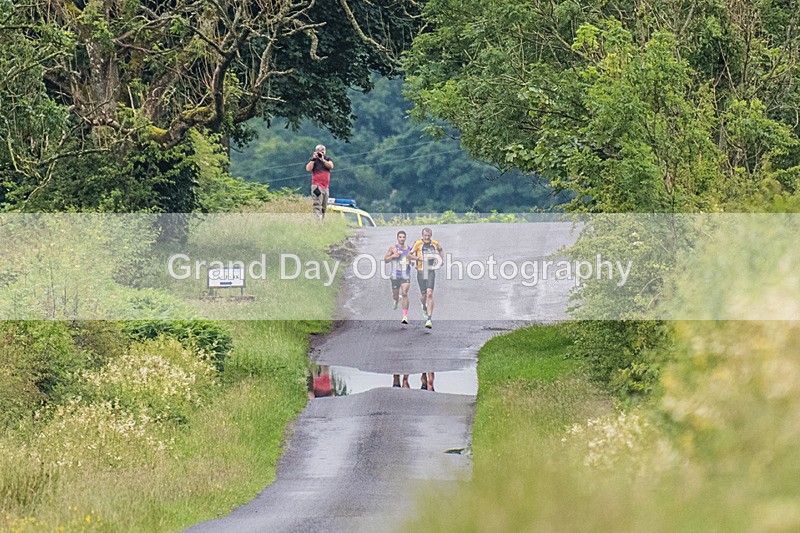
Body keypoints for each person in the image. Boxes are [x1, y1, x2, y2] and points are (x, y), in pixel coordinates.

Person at [409, 227, 443, 329]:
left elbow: (441, 250)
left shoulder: (435, 243)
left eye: (428, 236)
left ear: (431, 235)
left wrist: (441, 260)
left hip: (430, 271)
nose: (427, 237)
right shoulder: (418, 244)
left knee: (429, 293)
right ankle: (424, 306)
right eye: (425, 236)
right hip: (421, 272)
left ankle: (429, 319)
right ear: (422, 235)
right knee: (423, 294)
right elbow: (409, 255)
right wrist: (417, 258)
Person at [384, 230, 412, 324]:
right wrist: (393, 256)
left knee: (404, 293)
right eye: (400, 237)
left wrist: (410, 261)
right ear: (397, 238)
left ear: (405, 238)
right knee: (395, 295)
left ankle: (405, 316)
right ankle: (396, 300)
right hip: (395, 275)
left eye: (403, 237)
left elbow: (413, 262)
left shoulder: (409, 249)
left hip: (405, 275)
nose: (402, 239)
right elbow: (385, 260)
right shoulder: (393, 248)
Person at [305, 144, 334, 220]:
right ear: (316, 151)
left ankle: (322, 222)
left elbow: (331, 166)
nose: (321, 152)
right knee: (317, 205)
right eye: (319, 150)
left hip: (326, 187)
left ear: (325, 151)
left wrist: (323, 160)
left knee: (324, 207)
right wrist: (313, 159)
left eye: (323, 150)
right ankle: (317, 222)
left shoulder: (327, 159)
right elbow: (308, 169)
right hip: (317, 186)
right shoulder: (313, 160)